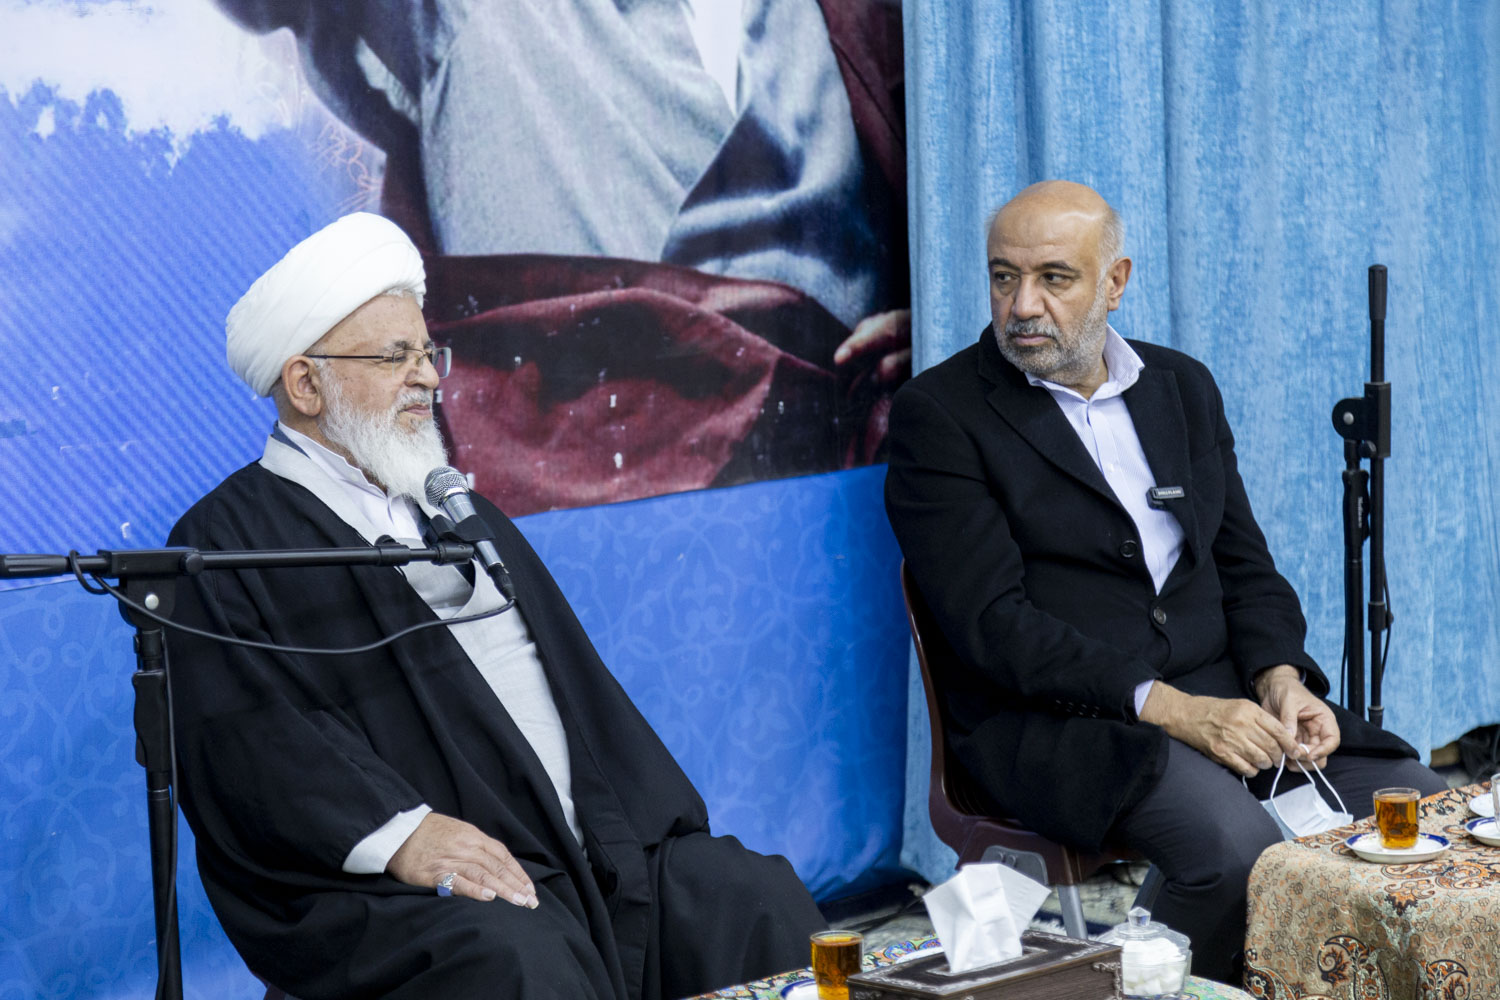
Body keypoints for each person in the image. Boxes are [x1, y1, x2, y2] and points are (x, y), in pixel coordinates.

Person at [166, 212, 825, 999]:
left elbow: (578, 694)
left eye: (427, 353)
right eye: (395, 357)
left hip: (576, 840)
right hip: (408, 876)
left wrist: (619, 829)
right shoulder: (222, 544)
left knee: (749, 897)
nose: (428, 377)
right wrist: (404, 835)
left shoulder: (455, 511)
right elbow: (248, 744)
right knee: (515, 958)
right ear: (306, 383)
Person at [883, 181, 1444, 982]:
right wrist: (1175, 710)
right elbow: (993, 627)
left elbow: (1244, 565)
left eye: (1054, 278)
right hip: (1059, 725)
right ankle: (1146, 985)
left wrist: (1280, 679)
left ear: (1115, 282)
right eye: (1004, 277)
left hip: (1223, 698)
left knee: (1418, 809)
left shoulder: (1180, 386)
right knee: (1236, 853)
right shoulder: (941, 414)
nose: (1023, 305)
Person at [211, 0, 912, 515]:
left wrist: (947, 324)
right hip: (589, 528)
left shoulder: (874, 26)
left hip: (845, 508)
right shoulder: (449, 17)